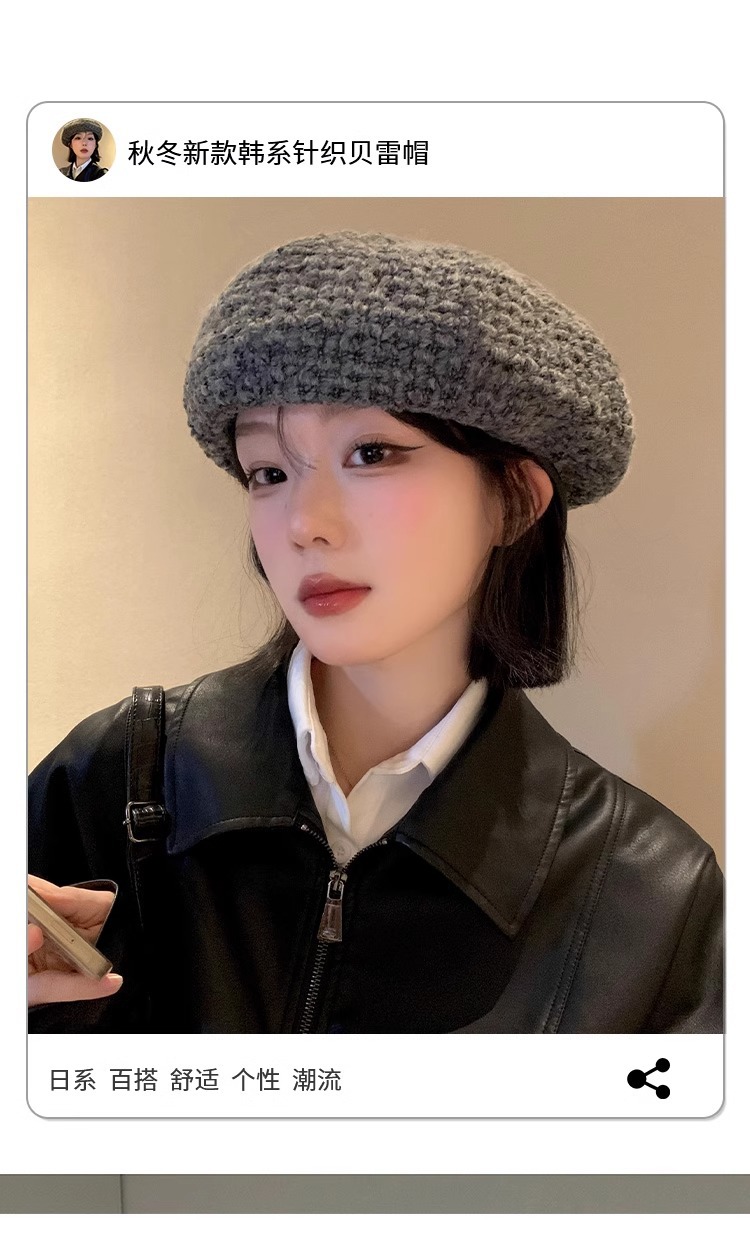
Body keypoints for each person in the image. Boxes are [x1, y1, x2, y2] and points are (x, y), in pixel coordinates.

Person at [28, 230, 723, 1034]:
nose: (305, 524)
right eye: (268, 472)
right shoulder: (115, 776)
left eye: (371, 453)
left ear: (517, 500)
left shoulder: (651, 891)